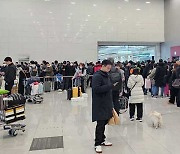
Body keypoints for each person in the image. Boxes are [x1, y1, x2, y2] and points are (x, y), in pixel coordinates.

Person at [92, 60, 117, 153]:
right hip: (100, 103)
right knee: (100, 123)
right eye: (108, 68)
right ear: (103, 66)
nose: (109, 70)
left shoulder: (107, 75)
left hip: (107, 102)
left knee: (105, 121)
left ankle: (102, 139)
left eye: (110, 68)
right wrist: (110, 86)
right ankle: (97, 143)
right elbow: (96, 89)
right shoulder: (97, 76)